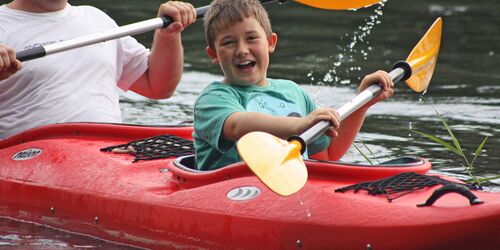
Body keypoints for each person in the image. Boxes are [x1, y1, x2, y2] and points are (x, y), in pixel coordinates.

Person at [193, 0, 394, 171]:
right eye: (228, 43)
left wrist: (362, 103)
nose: (242, 50)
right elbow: (237, 126)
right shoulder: (213, 99)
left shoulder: (293, 93)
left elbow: (328, 154)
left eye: (251, 38)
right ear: (214, 55)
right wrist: (300, 125)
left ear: (270, 43)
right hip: (229, 193)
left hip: (290, 196)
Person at [0, 0, 197, 139]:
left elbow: (158, 86)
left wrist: (168, 36)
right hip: (26, 156)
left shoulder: (96, 19)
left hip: (108, 149)